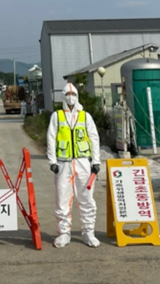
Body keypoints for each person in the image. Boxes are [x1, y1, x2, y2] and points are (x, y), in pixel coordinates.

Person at [46, 82, 101, 248]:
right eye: (68, 94)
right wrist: (52, 161)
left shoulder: (86, 116)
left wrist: (96, 161)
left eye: (74, 94)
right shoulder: (57, 116)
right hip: (63, 163)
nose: (71, 97)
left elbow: (94, 138)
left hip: (83, 162)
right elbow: (51, 138)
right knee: (62, 198)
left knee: (86, 198)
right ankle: (64, 233)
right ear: (63, 97)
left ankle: (88, 232)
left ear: (77, 96)